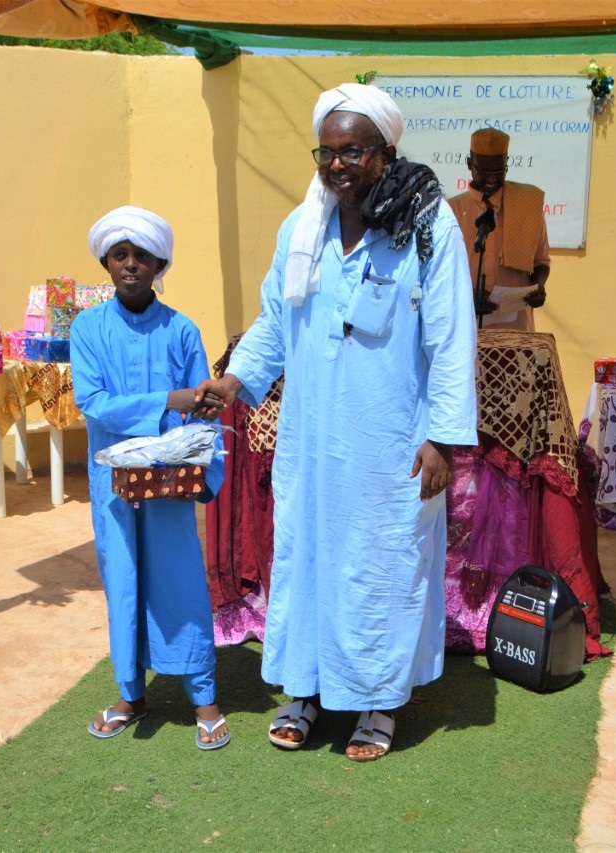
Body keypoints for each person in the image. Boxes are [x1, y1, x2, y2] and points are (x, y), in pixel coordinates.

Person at [192, 83, 478, 761]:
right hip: (313, 439)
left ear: (386, 151)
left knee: (381, 563)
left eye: (354, 150)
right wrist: (236, 378)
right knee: (309, 558)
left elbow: (451, 336)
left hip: (391, 443)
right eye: (328, 150)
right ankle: (307, 689)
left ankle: (377, 703)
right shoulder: (303, 229)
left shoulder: (428, 227)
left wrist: (441, 436)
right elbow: (275, 319)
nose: (338, 163)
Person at [71, 206, 230, 750]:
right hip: (112, 487)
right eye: (120, 255)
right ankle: (130, 694)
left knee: (179, 578)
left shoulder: (182, 330)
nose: (131, 265)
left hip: (168, 486)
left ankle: (204, 694)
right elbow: (94, 404)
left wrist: (201, 447)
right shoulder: (87, 328)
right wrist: (168, 399)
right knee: (123, 581)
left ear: (160, 262)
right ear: (106, 262)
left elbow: (203, 413)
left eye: (142, 256)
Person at [447, 128, 551, 331]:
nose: (492, 179)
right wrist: (467, 294)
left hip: (516, 330)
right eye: (485, 172)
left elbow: (542, 261)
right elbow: (438, 272)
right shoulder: (450, 211)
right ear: (470, 164)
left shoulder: (527, 206)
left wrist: (538, 286)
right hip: (464, 329)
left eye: (498, 172)